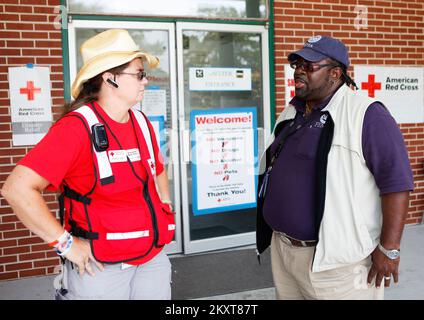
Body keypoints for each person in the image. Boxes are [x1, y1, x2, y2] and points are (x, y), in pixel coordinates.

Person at [1, 29, 176, 300]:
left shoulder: (141, 122)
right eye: (139, 73)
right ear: (110, 79)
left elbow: (157, 171)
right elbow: (16, 189)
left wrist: (165, 208)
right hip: (101, 269)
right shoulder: (75, 128)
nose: (146, 81)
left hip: (152, 259)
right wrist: (66, 244)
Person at [256, 35, 414, 300]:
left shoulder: (368, 115)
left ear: (335, 73)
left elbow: (397, 183)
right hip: (283, 252)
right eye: (296, 64)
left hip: (337, 267)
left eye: (309, 65)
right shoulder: (291, 112)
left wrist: (390, 248)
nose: (299, 71)